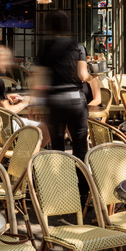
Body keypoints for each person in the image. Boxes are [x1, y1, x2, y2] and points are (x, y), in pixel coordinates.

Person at [37, 10, 91, 174]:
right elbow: (82, 75)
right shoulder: (78, 46)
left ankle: (61, 186)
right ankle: (82, 191)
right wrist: (93, 77)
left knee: (57, 145)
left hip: (55, 101)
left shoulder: (45, 48)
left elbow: (39, 82)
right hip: (75, 100)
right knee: (80, 146)